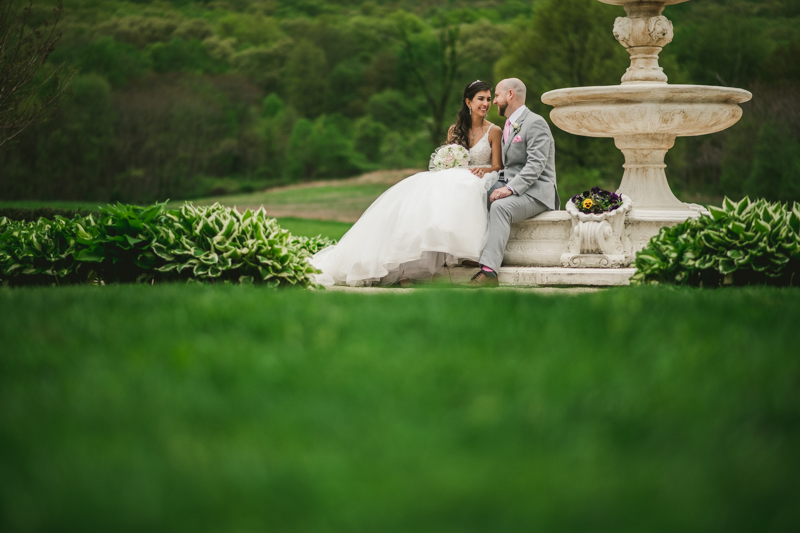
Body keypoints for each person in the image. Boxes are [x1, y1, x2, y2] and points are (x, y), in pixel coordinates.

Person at [310, 80, 502, 287]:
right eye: (480, 99)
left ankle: (463, 250)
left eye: (489, 99)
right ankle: (403, 264)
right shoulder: (453, 130)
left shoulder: (494, 131)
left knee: (463, 187)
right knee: (419, 193)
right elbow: (447, 160)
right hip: (451, 176)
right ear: (468, 102)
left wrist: (485, 169)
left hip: (476, 177)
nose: (486, 103)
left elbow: (498, 166)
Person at [467, 78, 560, 287]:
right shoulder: (508, 125)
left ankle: (489, 273)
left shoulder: (535, 123)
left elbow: (536, 165)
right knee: (472, 193)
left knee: (500, 207)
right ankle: (468, 254)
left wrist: (508, 189)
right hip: (514, 187)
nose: (494, 102)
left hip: (537, 192)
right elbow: (507, 166)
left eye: (497, 96)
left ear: (510, 95)